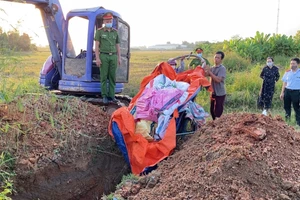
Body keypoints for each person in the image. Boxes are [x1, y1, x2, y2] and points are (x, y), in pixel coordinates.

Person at [94, 12, 121, 104]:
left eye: (110, 20)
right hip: (104, 56)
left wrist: (119, 57)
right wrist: (97, 58)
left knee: (112, 77)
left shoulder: (115, 32)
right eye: (107, 20)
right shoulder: (100, 32)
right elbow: (97, 46)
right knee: (104, 77)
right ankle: (104, 95)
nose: (109, 22)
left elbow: (117, 46)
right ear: (104, 21)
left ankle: (111, 96)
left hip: (113, 56)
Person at [205, 51, 226, 120]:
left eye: (218, 58)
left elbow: (218, 80)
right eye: (215, 57)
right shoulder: (212, 68)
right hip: (213, 93)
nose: (216, 59)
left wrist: (210, 72)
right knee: (212, 111)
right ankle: (215, 124)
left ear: (221, 59)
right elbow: (205, 74)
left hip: (220, 93)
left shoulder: (222, 68)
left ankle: (218, 126)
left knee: (218, 112)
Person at [280, 57, 300, 126]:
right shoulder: (287, 72)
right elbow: (284, 83)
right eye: (291, 63)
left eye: (293, 63)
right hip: (287, 91)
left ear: (298, 64)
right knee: (287, 107)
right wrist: (282, 92)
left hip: (297, 92)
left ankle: (298, 123)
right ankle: (287, 121)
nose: (292, 65)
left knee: (297, 107)